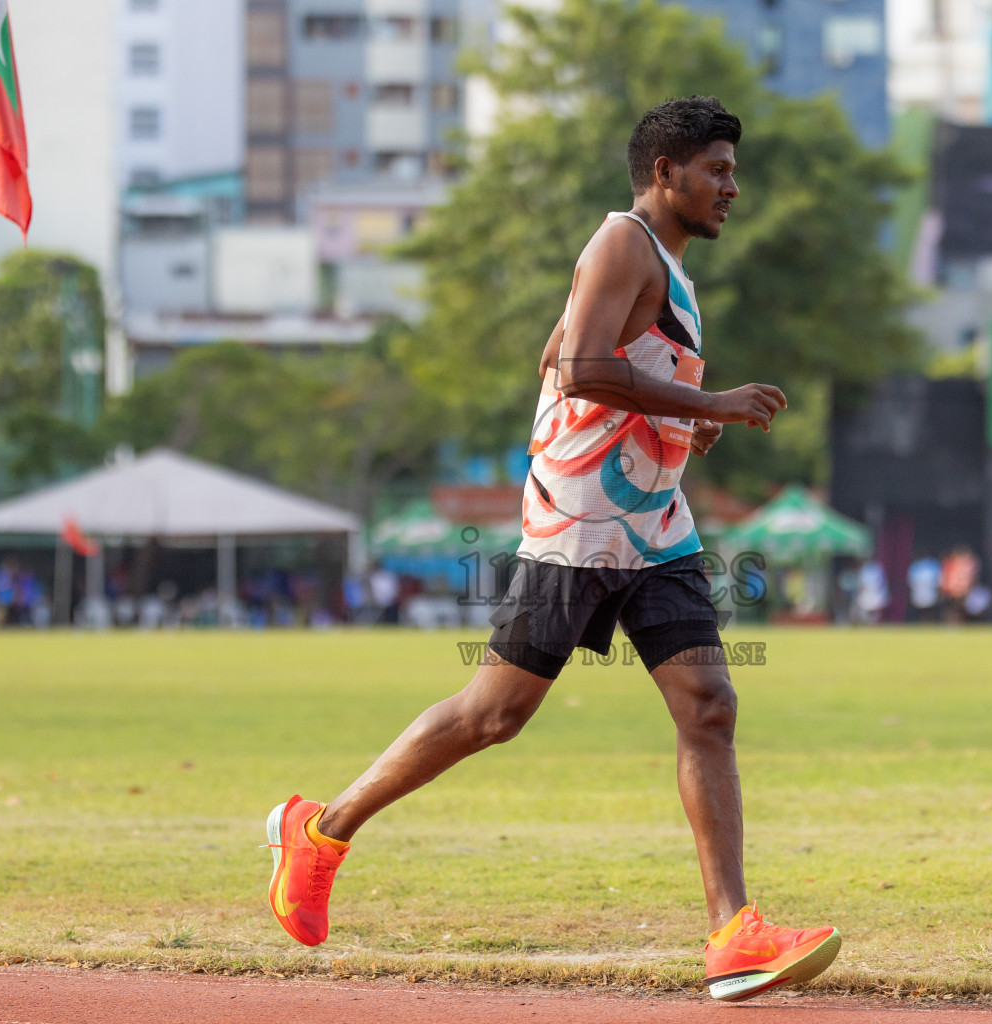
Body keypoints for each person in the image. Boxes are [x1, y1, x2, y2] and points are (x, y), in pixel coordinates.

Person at [264, 97, 839, 1003]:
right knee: (493, 716)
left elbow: (559, 352)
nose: (734, 186)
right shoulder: (623, 244)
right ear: (666, 173)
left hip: (654, 525)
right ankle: (322, 831)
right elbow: (577, 369)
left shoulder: (667, 267)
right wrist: (709, 404)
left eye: (732, 169)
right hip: (581, 524)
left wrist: (672, 433)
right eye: (718, 170)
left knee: (709, 704)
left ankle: (732, 935)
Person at [906, 555, 941, 622]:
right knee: (923, 612)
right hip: (922, 594)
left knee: (929, 612)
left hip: (929, 594)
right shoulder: (931, 565)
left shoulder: (918, 566)